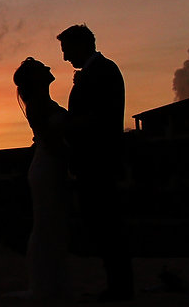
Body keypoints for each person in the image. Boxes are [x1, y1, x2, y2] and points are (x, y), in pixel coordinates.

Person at [58, 24, 134, 302]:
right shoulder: (99, 71)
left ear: (80, 46)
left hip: (98, 161)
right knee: (104, 226)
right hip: (95, 161)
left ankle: (120, 288)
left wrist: (66, 126)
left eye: (66, 51)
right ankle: (117, 285)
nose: (65, 58)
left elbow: (99, 119)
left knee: (107, 226)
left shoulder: (102, 72)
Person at [13, 57, 73, 302]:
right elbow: (50, 140)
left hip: (50, 164)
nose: (48, 68)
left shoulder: (43, 103)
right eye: (41, 68)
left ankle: (51, 284)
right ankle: (42, 285)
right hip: (47, 165)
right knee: (44, 225)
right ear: (35, 79)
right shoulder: (37, 105)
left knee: (52, 225)